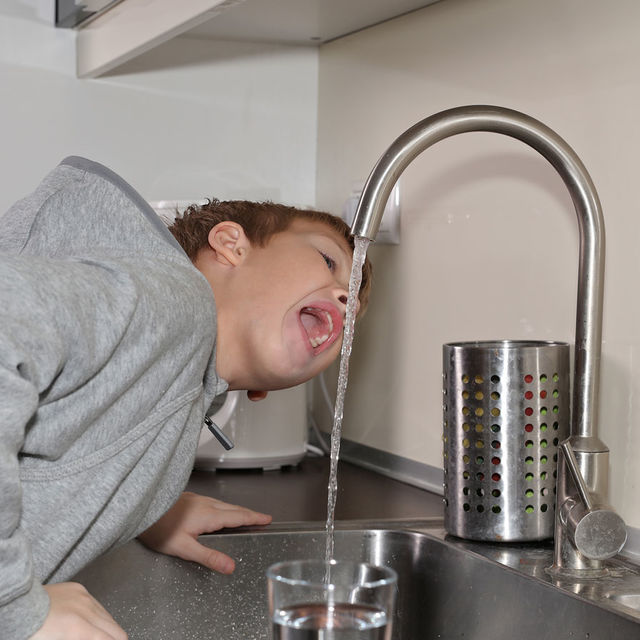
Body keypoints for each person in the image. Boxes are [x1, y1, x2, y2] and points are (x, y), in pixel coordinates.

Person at [0, 156, 372, 640]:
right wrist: (14, 604)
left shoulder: (180, 379)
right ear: (230, 244)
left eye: (355, 309)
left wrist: (141, 505)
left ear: (260, 392)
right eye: (328, 261)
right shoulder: (174, 300)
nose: (346, 297)